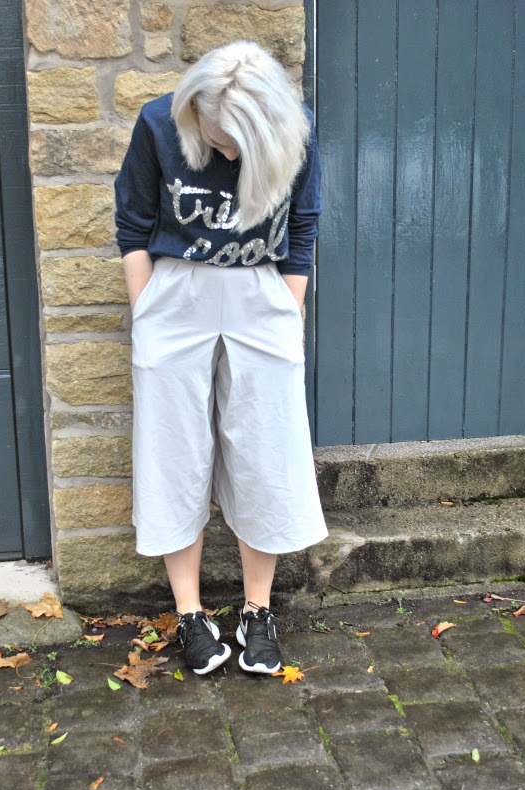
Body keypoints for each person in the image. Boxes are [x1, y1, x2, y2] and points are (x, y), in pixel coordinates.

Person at [114, 39, 327, 676]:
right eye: (216, 136)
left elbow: (303, 226)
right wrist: (147, 311)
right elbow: (133, 223)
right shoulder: (159, 122)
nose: (228, 153)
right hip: (175, 296)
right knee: (173, 452)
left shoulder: (296, 128)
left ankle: (257, 611)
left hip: (261, 294)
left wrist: (288, 311)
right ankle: (190, 613)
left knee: (266, 452)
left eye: (239, 142)